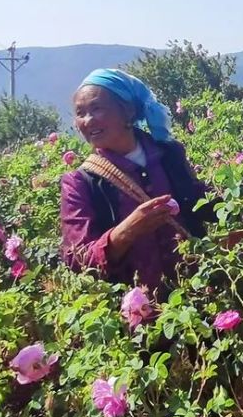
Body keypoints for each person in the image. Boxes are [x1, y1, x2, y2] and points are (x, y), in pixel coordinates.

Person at [59, 69, 215, 290]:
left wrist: (238, 202)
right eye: (80, 113)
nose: (88, 121)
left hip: (198, 295)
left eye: (96, 108)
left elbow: (198, 201)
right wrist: (126, 231)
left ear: (128, 111)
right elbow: (77, 258)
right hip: (134, 311)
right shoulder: (81, 182)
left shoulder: (168, 155)